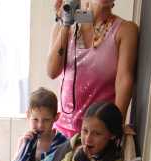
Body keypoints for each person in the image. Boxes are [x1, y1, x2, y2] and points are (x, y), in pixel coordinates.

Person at [46, 0, 138, 139]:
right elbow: (52, 72)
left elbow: (124, 80)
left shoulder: (126, 30)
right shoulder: (66, 25)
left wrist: (116, 129)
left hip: (96, 138)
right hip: (61, 133)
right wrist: (65, 24)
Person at [3, 87, 68, 161]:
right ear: (28, 115)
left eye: (46, 120)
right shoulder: (24, 142)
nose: (40, 125)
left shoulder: (62, 144)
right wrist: (23, 149)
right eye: (35, 119)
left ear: (56, 117)